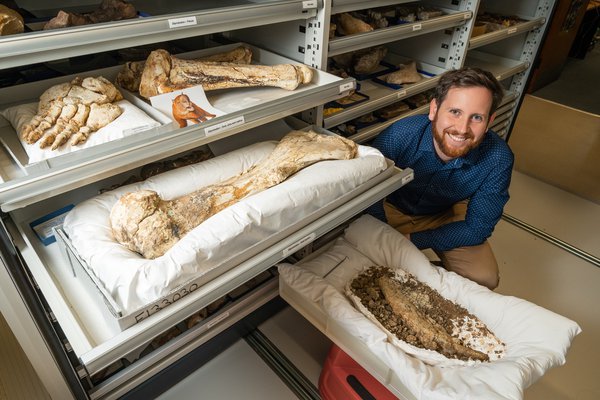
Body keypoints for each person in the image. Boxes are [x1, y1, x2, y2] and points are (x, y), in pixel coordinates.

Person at [368, 67, 513, 290]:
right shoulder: (400, 135)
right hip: (390, 207)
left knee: (484, 278)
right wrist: (388, 236)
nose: (462, 129)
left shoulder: (498, 158)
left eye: (476, 117)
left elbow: (477, 228)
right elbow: (368, 193)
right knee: (363, 258)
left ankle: (417, 272)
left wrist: (412, 241)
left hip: (444, 213)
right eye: (455, 112)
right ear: (434, 109)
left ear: (490, 120)